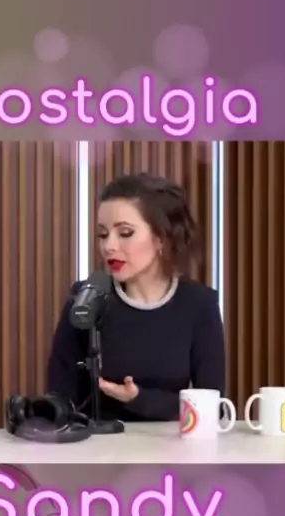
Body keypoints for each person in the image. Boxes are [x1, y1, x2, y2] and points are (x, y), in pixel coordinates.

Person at [47, 172, 226, 422]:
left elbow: (213, 407)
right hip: (98, 444)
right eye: (103, 234)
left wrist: (138, 398)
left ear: (162, 237)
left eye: (125, 233)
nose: (109, 246)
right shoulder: (86, 299)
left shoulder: (199, 305)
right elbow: (60, 399)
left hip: (171, 444)